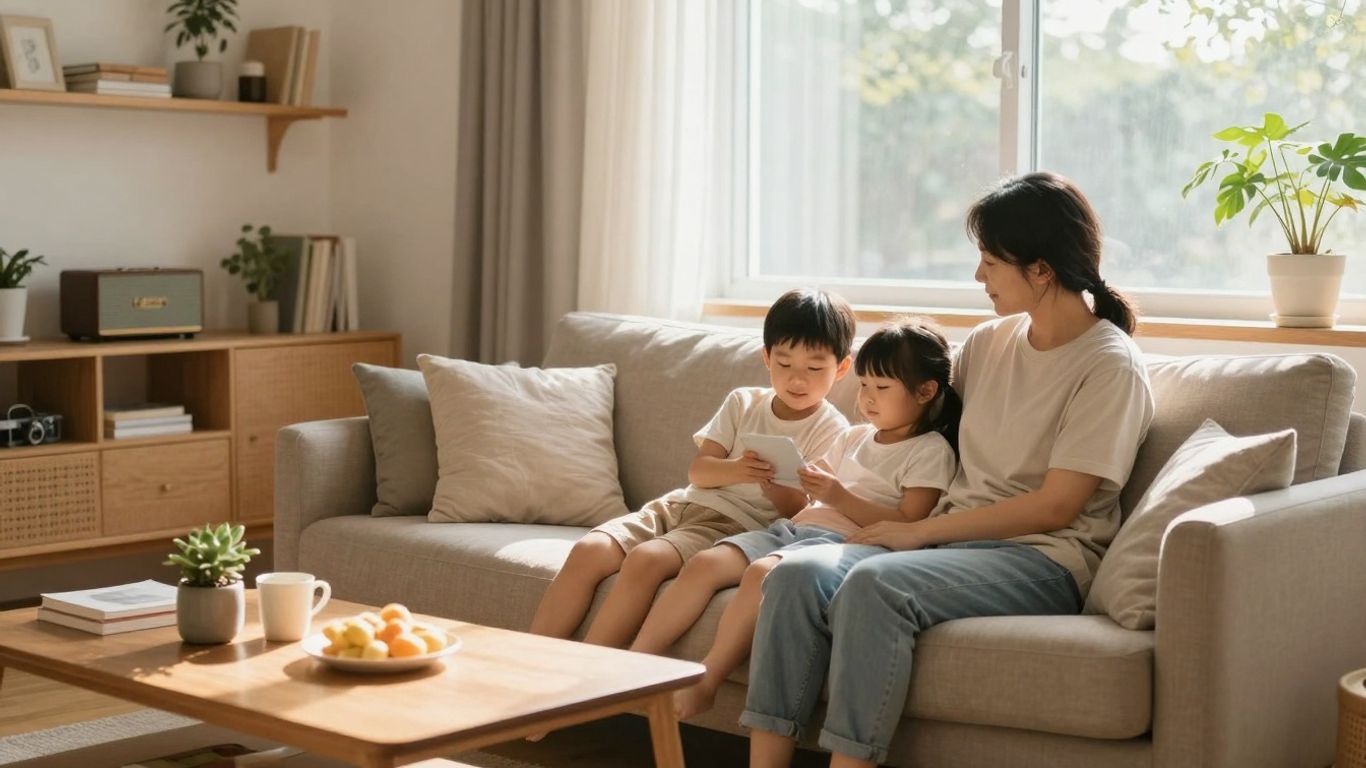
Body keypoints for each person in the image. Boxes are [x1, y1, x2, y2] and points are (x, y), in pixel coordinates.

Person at [743, 172, 1156, 768]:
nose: (978, 277)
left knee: (874, 584)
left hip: (1041, 556)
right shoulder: (990, 343)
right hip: (950, 540)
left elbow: (1057, 507)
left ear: (1040, 269)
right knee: (795, 575)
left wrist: (917, 532)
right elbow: (907, 414)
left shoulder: (1109, 365)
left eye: (990, 261)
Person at [628, 317, 961, 721]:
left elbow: (910, 519)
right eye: (865, 386)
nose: (868, 398)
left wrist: (838, 495)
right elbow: (804, 492)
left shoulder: (929, 450)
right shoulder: (853, 436)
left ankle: (707, 679)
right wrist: (778, 483)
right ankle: (634, 669)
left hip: (836, 545)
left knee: (759, 574)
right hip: (791, 530)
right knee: (704, 563)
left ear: (925, 391)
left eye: (883, 388)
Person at [528, 288, 857, 650]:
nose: (798, 380)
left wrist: (773, 485)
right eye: (784, 363)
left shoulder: (832, 430)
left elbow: (801, 515)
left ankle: (588, 677)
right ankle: (534, 660)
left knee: (646, 560)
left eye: (814, 368)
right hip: (678, 505)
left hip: (732, 523)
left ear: (841, 367)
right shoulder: (743, 401)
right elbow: (699, 472)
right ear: (766, 357)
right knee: (589, 549)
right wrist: (738, 469)